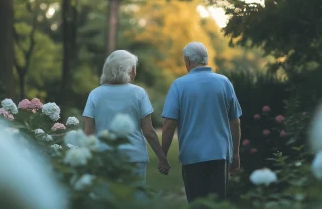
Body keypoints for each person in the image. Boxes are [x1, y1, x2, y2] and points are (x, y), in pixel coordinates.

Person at [160, 42, 242, 202]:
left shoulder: (179, 85)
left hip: (192, 156)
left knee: (197, 203)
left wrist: (162, 156)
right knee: (217, 203)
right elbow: (235, 121)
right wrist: (236, 153)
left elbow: (169, 124)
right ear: (206, 59)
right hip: (219, 154)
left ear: (188, 60)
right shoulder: (224, 82)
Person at [82, 50, 170, 185]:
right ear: (128, 70)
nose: (135, 72)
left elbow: (88, 133)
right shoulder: (139, 93)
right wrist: (162, 158)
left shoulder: (95, 94)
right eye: (133, 68)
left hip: (104, 158)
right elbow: (149, 132)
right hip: (134, 158)